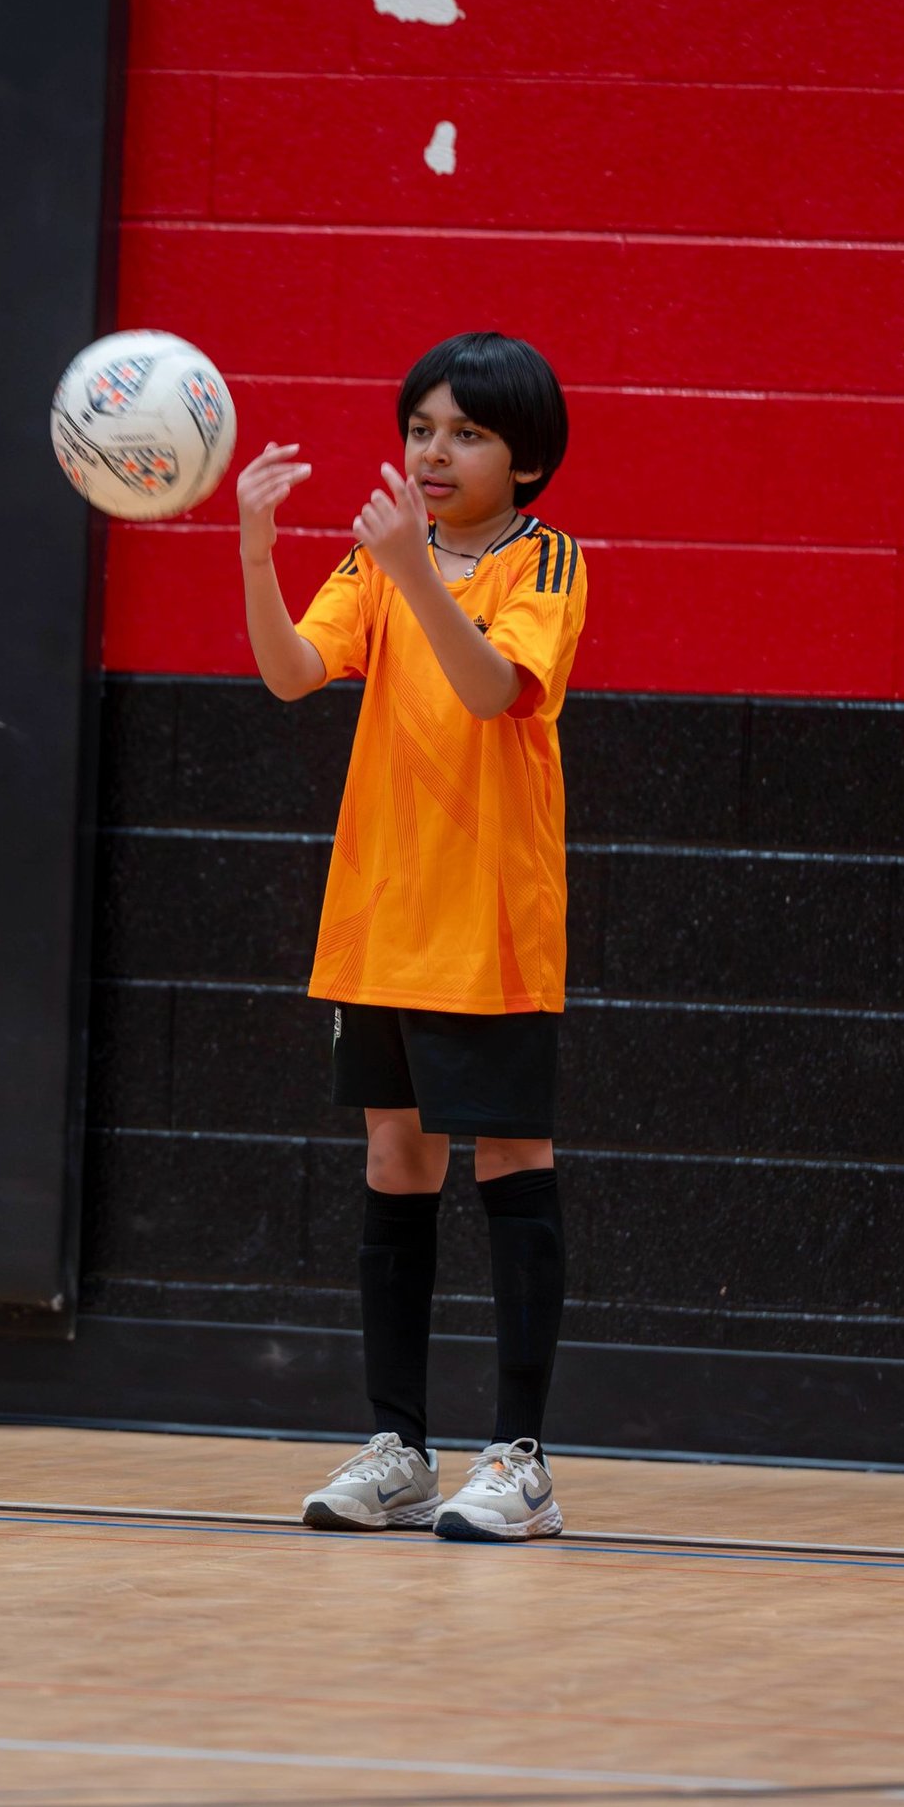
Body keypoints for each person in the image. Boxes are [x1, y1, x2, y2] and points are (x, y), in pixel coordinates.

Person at [234, 331, 586, 1542]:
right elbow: (290, 675)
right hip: (382, 910)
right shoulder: (376, 558)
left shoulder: (548, 562)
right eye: (421, 429)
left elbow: (492, 689)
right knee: (395, 1161)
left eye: (467, 434)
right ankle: (399, 1450)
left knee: (509, 1160)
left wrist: (413, 573)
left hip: (488, 914)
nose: (435, 453)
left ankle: (522, 1462)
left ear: (523, 458)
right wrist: (255, 548)